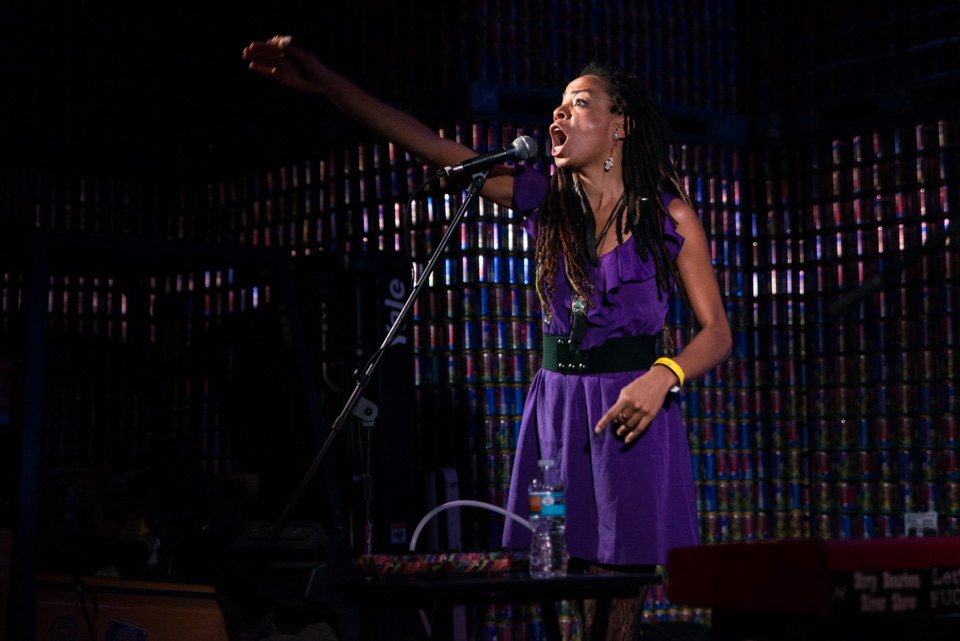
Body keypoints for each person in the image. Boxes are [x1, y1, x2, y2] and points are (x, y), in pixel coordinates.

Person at [244, 35, 732, 641]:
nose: (559, 113)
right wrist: (326, 82)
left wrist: (665, 374)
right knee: (561, 577)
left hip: (632, 417)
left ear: (621, 126)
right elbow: (429, 145)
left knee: (617, 594)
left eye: (579, 103)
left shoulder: (668, 217)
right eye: (558, 105)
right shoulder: (543, 201)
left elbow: (717, 332)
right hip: (558, 418)